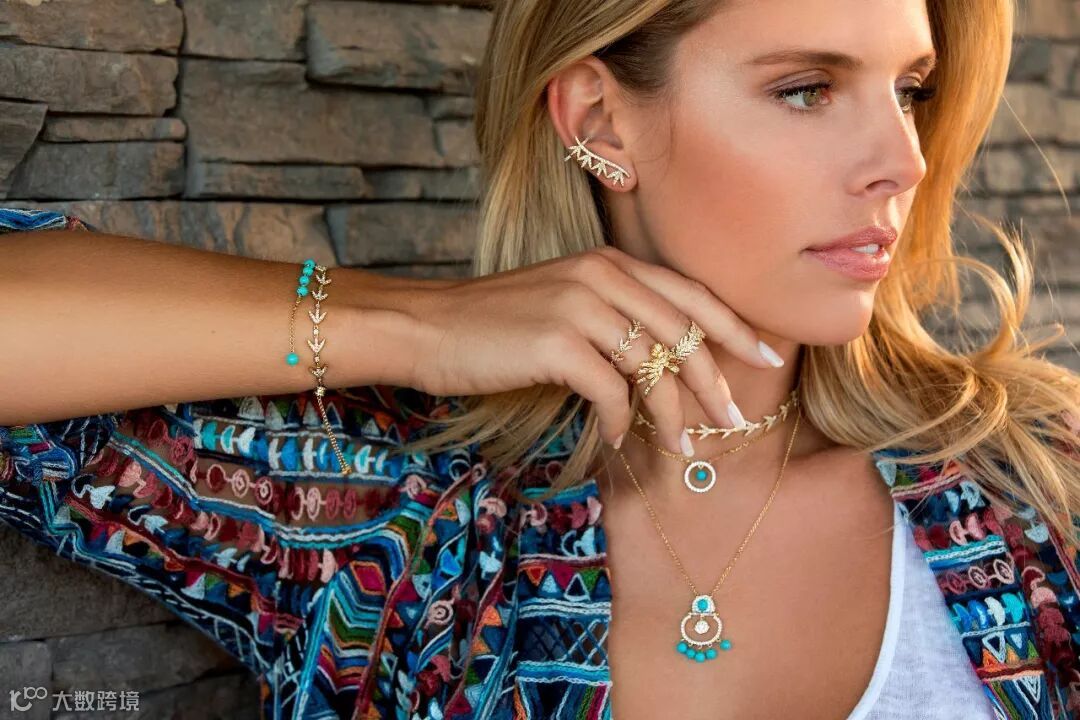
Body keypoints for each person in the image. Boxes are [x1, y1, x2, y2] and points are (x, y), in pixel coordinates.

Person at [2, 0, 1079, 718]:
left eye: (909, 88)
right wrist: (418, 324)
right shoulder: (400, 528)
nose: (903, 160)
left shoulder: (1034, 491)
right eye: (806, 88)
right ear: (601, 122)